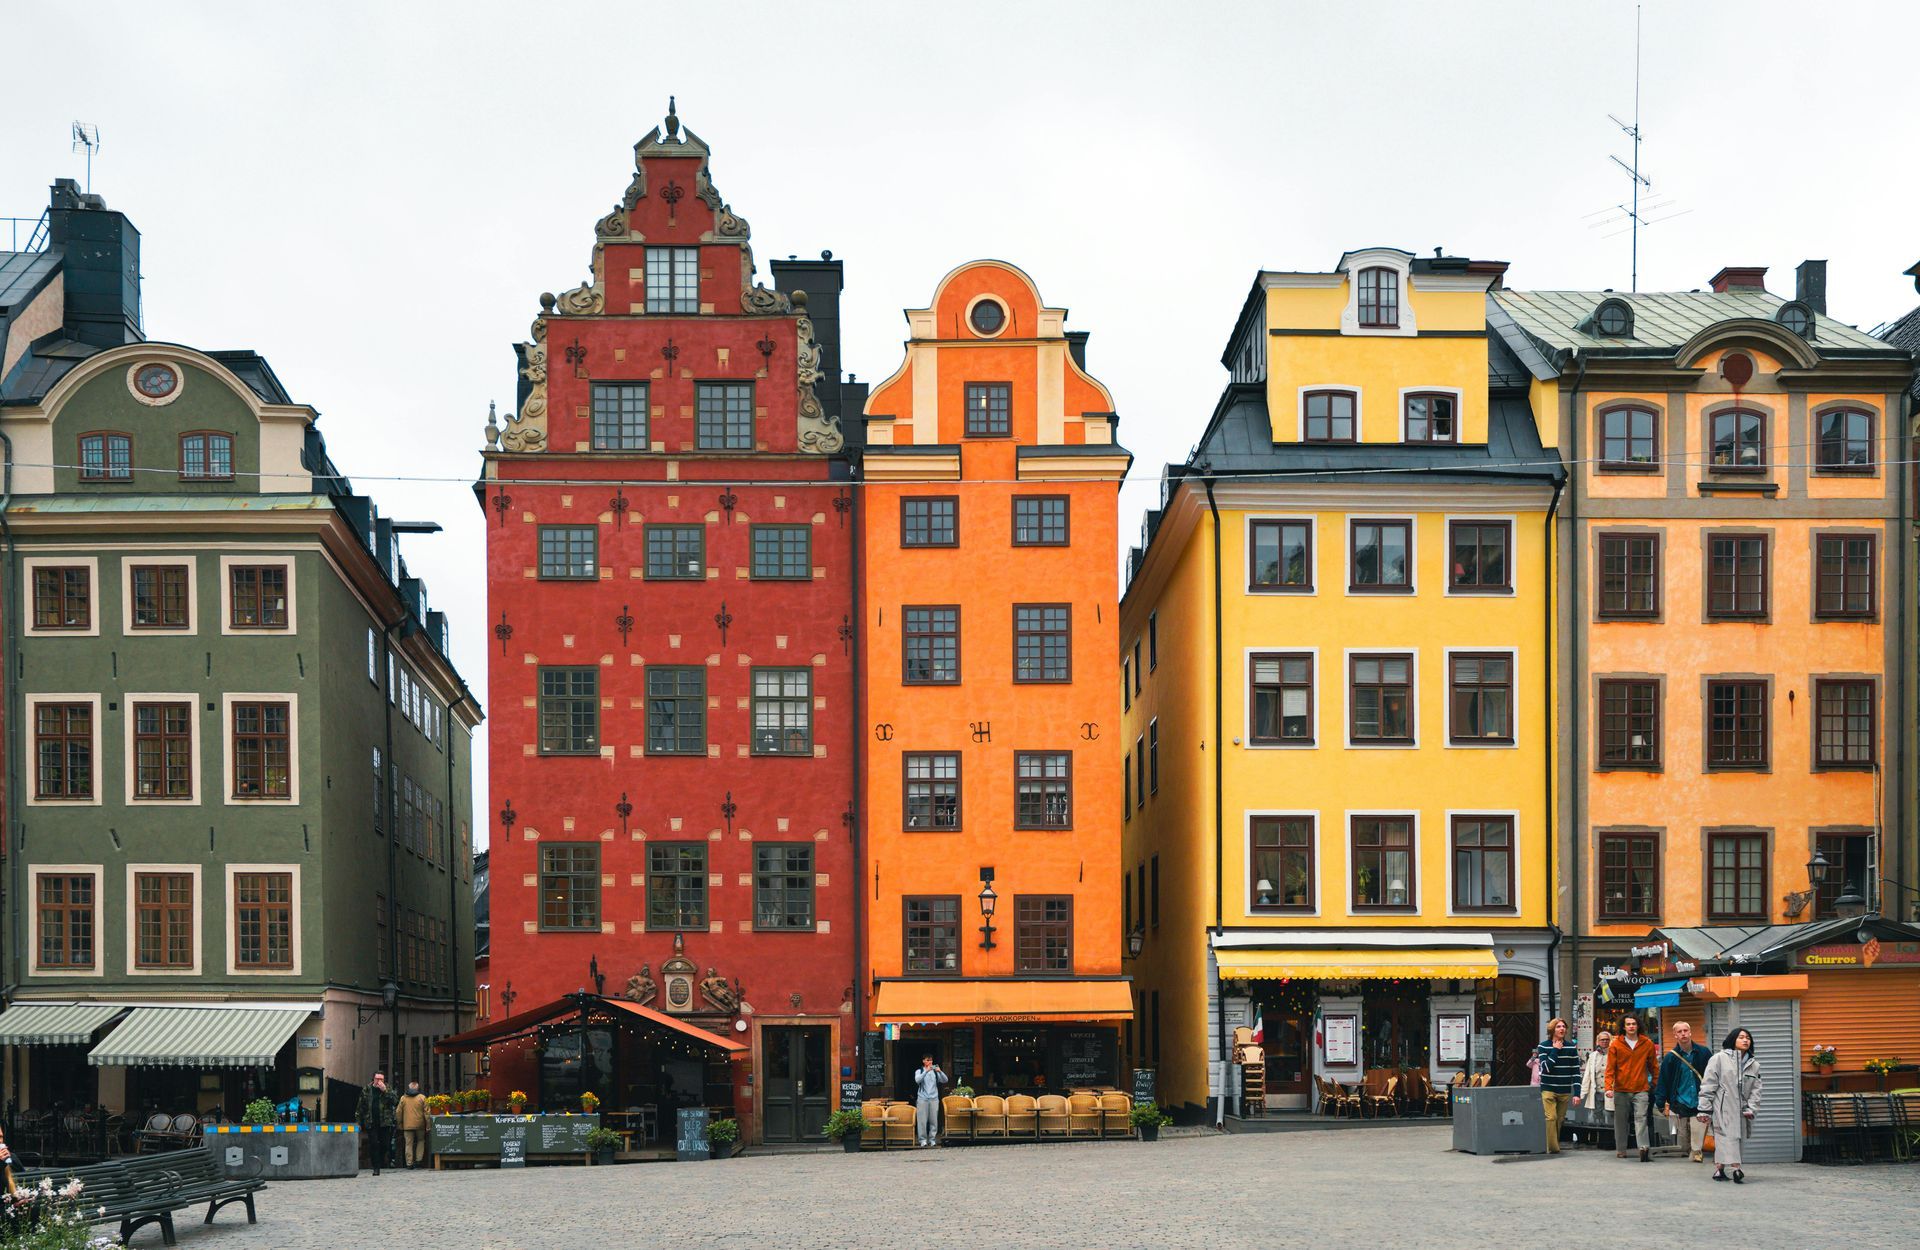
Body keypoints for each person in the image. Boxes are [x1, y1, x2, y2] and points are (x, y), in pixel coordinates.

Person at [1697, 1027, 1762, 1183]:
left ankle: (1719, 1169)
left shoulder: (1754, 1065)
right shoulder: (1719, 1058)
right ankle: (1736, 1168)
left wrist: (1752, 1108)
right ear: (1733, 1039)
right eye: (1741, 1037)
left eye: (1748, 1037)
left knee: (1731, 1139)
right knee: (1727, 1137)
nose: (1745, 1040)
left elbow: (1756, 1089)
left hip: (1741, 1109)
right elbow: (1708, 1084)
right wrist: (1704, 1109)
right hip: (1722, 1106)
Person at [1654, 1021, 1713, 1162]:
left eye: (1685, 1030)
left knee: (1697, 1127)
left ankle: (1697, 1151)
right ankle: (1691, 1149)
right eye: (1679, 1032)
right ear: (1675, 1035)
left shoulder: (1704, 1053)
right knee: (1684, 1136)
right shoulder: (1670, 1058)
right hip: (1680, 1100)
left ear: (1690, 1032)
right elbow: (1664, 1081)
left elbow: (1712, 1076)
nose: (1683, 1034)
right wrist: (1661, 1103)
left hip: (1700, 1099)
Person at [1606, 1015, 1657, 1161]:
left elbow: (1654, 1066)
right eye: (1628, 1024)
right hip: (1621, 1089)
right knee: (1620, 1120)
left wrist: (1655, 1082)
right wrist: (1608, 1087)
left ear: (1638, 1025)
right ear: (1623, 1026)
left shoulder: (1647, 1043)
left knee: (1641, 1118)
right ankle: (1621, 1149)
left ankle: (1643, 1148)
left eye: (1634, 1024)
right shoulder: (1616, 1044)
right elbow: (1610, 1068)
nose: (1631, 1026)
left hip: (1641, 1088)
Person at [1532, 1017, 1582, 1154]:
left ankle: (1552, 1143)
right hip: (1548, 1088)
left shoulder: (1571, 1047)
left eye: (1563, 1027)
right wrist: (1555, 1050)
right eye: (1558, 1027)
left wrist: (1577, 1093)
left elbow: (1576, 1072)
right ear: (1552, 1030)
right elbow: (1546, 1068)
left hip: (1564, 1089)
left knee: (1559, 1120)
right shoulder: (1543, 1046)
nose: (1562, 1029)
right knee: (1551, 1118)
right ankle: (1553, 1148)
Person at [357, 1072, 398, 1176]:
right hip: (371, 1121)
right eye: (377, 1079)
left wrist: (385, 1091)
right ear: (373, 1079)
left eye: (381, 1079)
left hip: (385, 1122)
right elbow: (360, 1106)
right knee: (374, 1144)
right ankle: (376, 1167)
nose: (379, 1081)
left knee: (385, 1144)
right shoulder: (367, 1089)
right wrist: (358, 1122)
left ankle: (380, 1161)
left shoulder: (388, 1088)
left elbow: (395, 1101)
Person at [1579, 1028, 1614, 1143]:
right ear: (1597, 1041)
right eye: (1602, 1040)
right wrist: (1582, 1093)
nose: (1604, 1042)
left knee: (1609, 1115)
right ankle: (1596, 1140)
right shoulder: (1593, 1056)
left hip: (1610, 1091)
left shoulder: (1615, 1054)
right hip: (1596, 1091)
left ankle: (1609, 1140)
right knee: (1595, 1116)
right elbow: (1588, 1075)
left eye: (1606, 1040)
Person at [912, 1054, 948, 1148]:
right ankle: (923, 1140)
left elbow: (945, 1080)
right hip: (922, 1099)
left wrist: (940, 1071)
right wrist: (926, 1072)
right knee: (922, 1120)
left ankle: (932, 1139)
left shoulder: (935, 1072)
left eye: (931, 1060)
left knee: (933, 1120)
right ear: (923, 1061)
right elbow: (917, 1080)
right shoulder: (919, 1071)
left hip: (934, 1098)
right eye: (928, 1060)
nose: (930, 1062)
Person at [397, 1079, 431, 1170]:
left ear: (409, 1087)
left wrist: (400, 1124)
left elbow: (398, 1112)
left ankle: (409, 1163)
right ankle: (419, 1161)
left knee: (408, 1144)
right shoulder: (422, 1097)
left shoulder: (403, 1098)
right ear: (417, 1088)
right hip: (420, 1125)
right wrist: (428, 1125)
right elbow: (427, 1113)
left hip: (407, 1125)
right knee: (420, 1141)